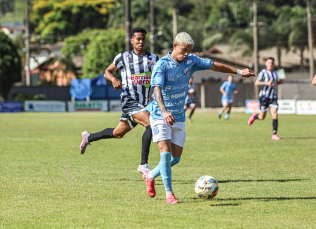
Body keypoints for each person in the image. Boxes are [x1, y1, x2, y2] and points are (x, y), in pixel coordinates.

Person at [142, 32, 255, 204]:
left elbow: (215, 66)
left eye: (189, 50)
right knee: (165, 154)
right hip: (160, 113)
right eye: (184, 49)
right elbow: (156, 89)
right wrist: (164, 111)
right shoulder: (162, 65)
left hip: (178, 115)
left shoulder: (191, 61)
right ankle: (169, 194)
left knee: (175, 158)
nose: (186, 53)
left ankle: (150, 175)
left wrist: (239, 71)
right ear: (175, 46)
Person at [79, 27, 160, 174]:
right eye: (138, 39)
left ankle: (88, 137)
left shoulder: (154, 59)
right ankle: (143, 164)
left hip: (147, 104)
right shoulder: (123, 57)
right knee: (151, 124)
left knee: (118, 133)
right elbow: (107, 72)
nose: (141, 42)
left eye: (143, 39)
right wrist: (114, 79)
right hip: (130, 101)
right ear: (132, 41)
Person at [247, 57, 284, 140]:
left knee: (275, 113)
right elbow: (256, 83)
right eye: (269, 62)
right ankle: (254, 116)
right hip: (264, 96)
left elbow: (274, 84)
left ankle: (274, 134)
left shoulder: (275, 73)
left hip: (273, 96)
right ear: (266, 64)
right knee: (262, 117)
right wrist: (266, 83)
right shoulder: (263, 73)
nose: (271, 64)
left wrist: (279, 82)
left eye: (272, 63)